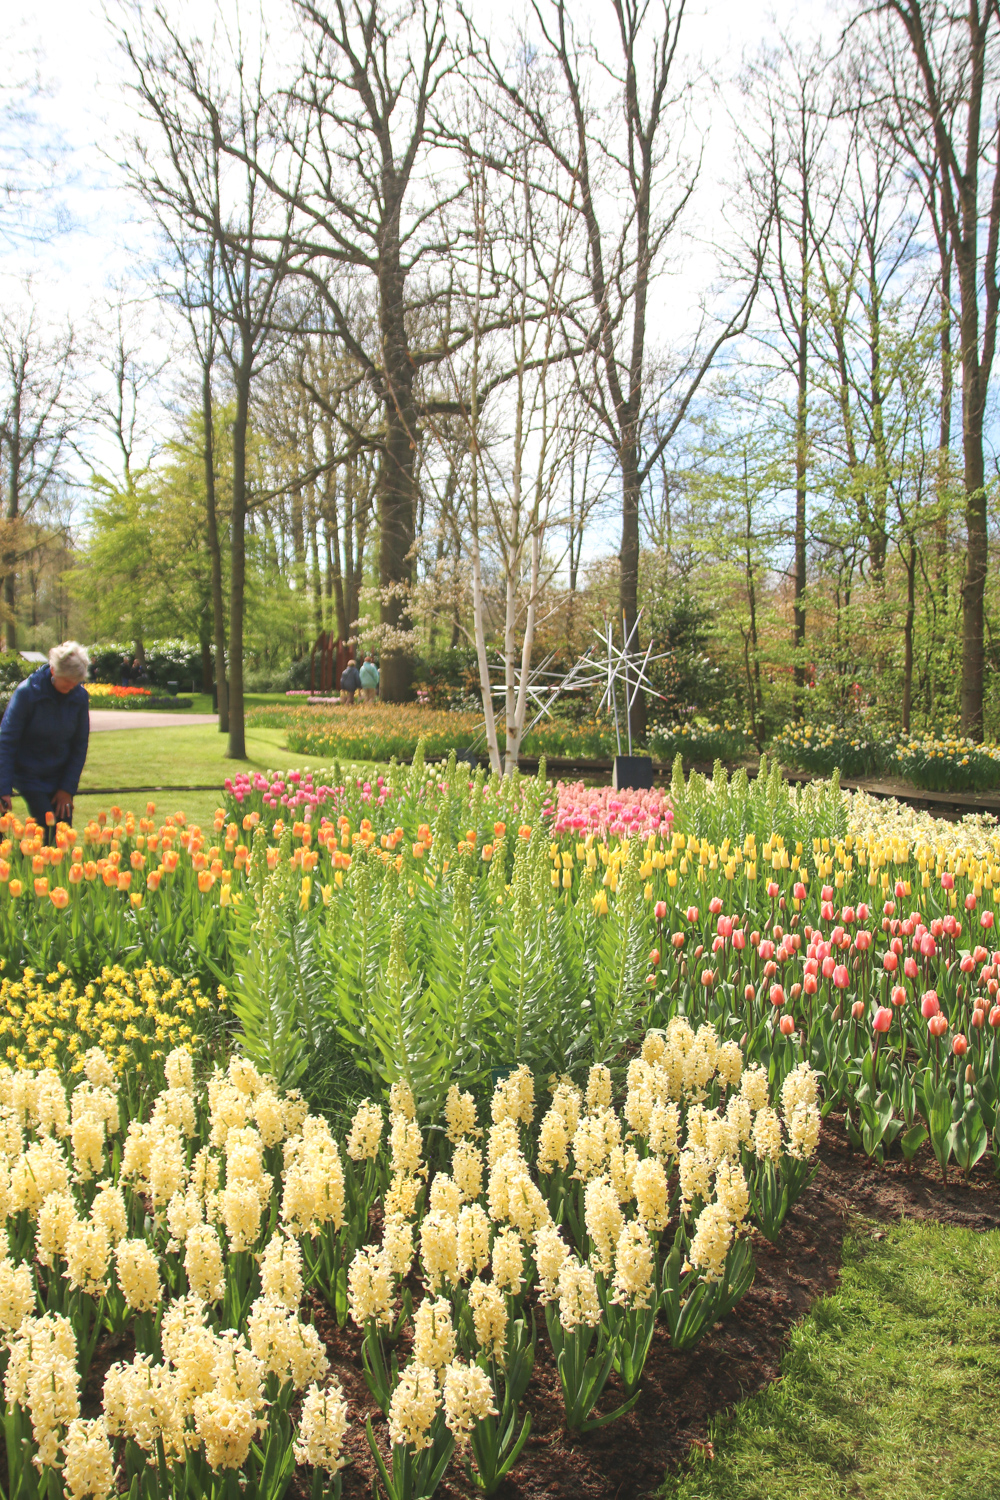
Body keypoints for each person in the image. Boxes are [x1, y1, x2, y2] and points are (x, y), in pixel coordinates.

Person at [0, 641, 90, 840]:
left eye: (76, 682)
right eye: (67, 681)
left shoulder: (79, 697)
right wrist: (3, 789)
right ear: (53, 671)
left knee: (64, 832)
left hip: (59, 773)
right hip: (28, 772)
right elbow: (7, 741)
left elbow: (79, 745)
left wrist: (67, 788)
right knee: (48, 826)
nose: (72, 686)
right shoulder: (28, 693)